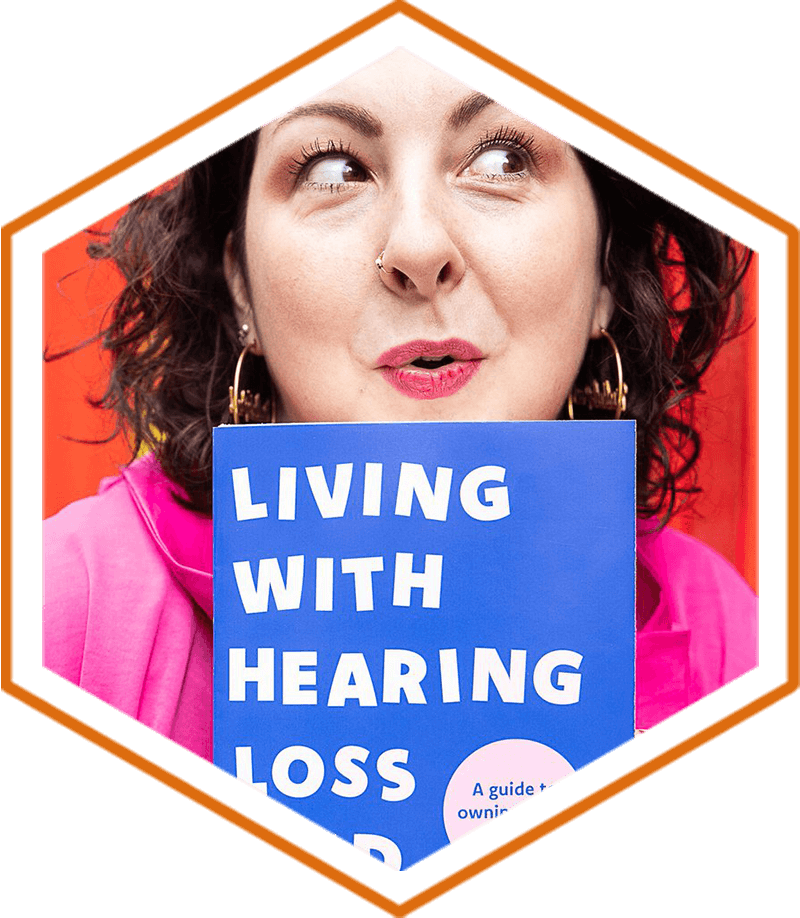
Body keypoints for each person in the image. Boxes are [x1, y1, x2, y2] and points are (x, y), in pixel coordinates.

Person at [42, 48, 757, 764]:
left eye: (503, 158)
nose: (417, 246)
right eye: (334, 170)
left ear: (606, 264)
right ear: (241, 288)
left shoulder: (725, 631)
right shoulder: (62, 608)